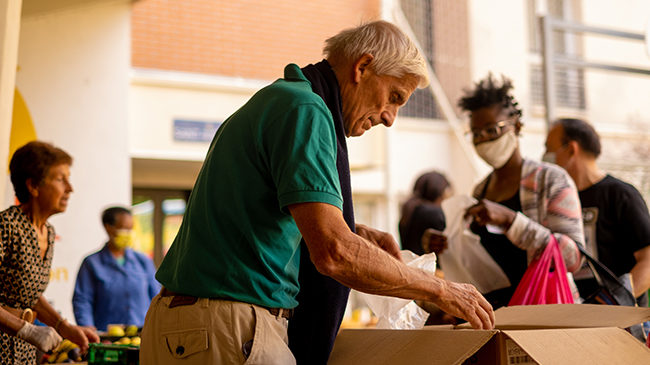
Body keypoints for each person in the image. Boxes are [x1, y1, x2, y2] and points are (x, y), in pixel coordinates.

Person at [140, 21, 494, 365]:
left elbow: (267, 222)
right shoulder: (306, 109)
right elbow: (334, 252)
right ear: (363, 67)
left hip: (189, 324)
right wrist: (440, 290)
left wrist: (355, 231)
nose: (390, 118)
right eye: (394, 97)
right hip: (227, 324)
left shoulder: (278, 99)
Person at [423, 74, 584, 310]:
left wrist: (512, 221)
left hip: (546, 314)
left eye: (492, 130)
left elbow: (573, 258)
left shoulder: (551, 180)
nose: (484, 140)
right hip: (498, 316)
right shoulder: (481, 190)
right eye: (476, 134)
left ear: (516, 126)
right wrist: (445, 246)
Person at [0, 141, 99, 364]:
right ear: (33, 186)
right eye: (60, 179)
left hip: (24, 351)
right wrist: (27, 330)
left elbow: (30, 296)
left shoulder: (48, 232)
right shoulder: (5, 225)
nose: (70, 189)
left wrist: (64, 327)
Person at [544, 118, 650, 307]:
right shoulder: (554, 202)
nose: (544, 157)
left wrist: (613, 301)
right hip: (572, 318)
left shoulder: (620, 195)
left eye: (549, 150)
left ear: (571, 149)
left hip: (621, 325)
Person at [72, 206, 160, 331]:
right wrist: (88, 329)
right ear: (108, 228)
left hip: (142, 335)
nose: (128, 233)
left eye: (131, 229)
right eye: (124, 228)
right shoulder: (92, 263)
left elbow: (157, 297)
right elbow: (82, 301)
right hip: (106, 337)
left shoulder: (143, 261)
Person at [399, 171, 451, 255]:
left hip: (410, 264)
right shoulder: (434, 213)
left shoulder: (409, 209)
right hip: (429, 266)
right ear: (439, 192)